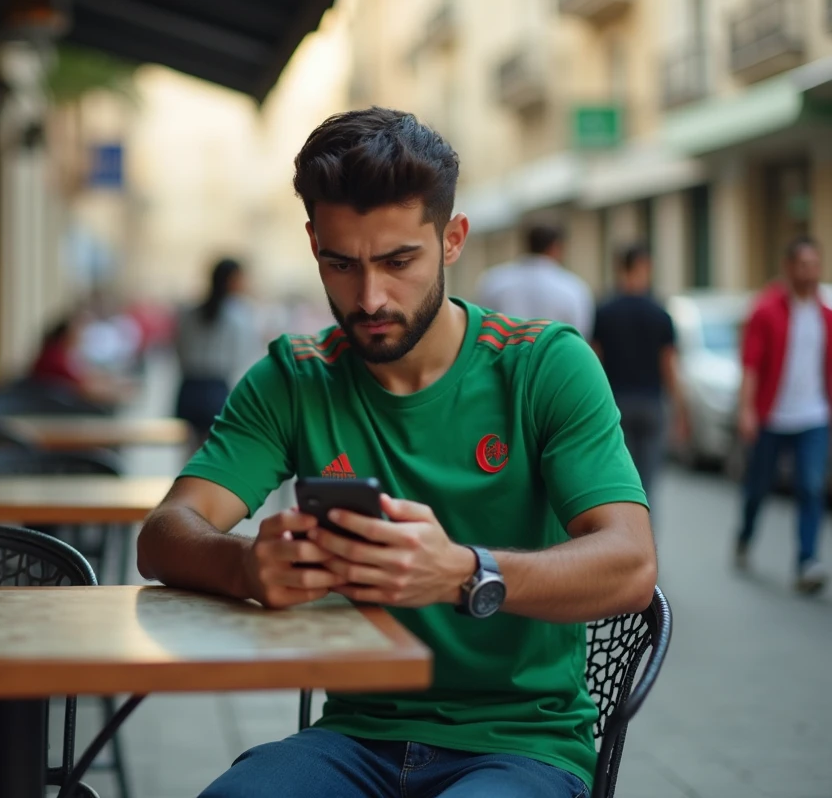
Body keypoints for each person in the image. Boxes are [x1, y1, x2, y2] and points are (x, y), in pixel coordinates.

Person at [137, 107, 656, 798]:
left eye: (398, 261)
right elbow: (165, 533)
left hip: (521, 746)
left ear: (452, 239)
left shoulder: (544, 366)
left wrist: (465, 574)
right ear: (313, 243)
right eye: (340, 264)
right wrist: (244, 565)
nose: (370, 296)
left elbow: (630, 564)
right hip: (354, 737)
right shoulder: (296, 378)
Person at [735, 236, 830, 595]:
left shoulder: (825, 314)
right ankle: (745, 536)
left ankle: (807, 561)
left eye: (815, 264)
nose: (810, 272)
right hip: (772, 418)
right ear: (789, 267)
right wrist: (746, 410)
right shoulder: (766, 310)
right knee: (759, 488)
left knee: (810, 487)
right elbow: (751, 364)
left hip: (814, 416)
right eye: (803, 265)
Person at [592, 243, 689, 507]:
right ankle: (644, 538)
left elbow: (594, 364)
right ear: (645, 267)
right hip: (651, 404)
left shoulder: (604, 311)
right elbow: (669, 367)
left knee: (617, 479)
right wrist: (680, 412)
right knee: (647, 484)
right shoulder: (660, 314)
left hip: (615, 405)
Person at [174, 258, 260, 447]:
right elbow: (243, 354)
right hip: (215, 386)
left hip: (189, 385)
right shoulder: (238, 313)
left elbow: (179, 348)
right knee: (212, 451)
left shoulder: (190, 312)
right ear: (231, 279)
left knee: (190, 450)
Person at [475, 224, 594, 339]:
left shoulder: (494, 281)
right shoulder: (573, 287)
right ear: (555, 247)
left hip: (503, 357)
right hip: (554, 357)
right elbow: (580, 334)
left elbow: (482, 326)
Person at [29, 312, 131, 408]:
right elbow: (81, 387)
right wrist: (114, 391)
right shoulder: (55, 357)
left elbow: (85, 376)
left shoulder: (66, 354)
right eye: (78, 332)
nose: (82, 337)